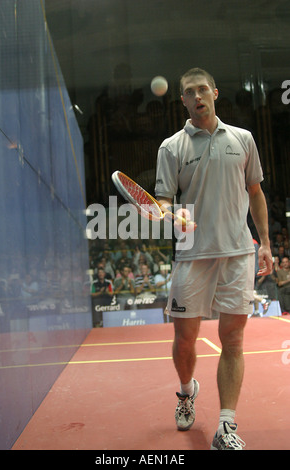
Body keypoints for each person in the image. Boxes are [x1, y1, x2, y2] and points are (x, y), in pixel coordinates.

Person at [154, 67, 273, 450]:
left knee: (233, 339)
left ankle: (226, 426)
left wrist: (266, 242)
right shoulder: (171, 148)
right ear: (183, 101)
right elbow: (165, 199)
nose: (198, 96)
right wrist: (164, 210)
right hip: (192, 255)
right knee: (185, 339)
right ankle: (187, 390)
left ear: (216, 93)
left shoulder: (244, 139)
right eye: (190, 92)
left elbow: (255, 192)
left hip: (239, 252)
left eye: (203, 89)